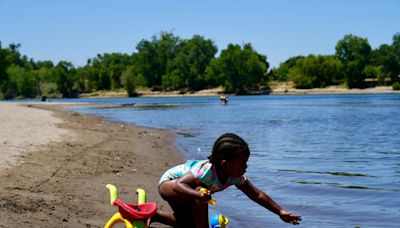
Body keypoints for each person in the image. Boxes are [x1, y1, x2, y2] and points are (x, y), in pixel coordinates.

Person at [151, 133, 301, 227]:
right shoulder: (206, 171)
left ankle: (154, 215)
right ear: (225, 164)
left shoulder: (234, 176)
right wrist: (198, 195)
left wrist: (280, 211)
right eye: (242, 163)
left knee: (187, 224)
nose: (246, 167)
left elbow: (257, 195)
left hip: (187, 194)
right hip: (170, 184)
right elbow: (179, 184)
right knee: (201, 192)